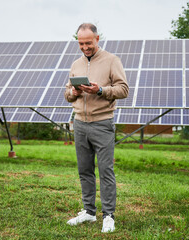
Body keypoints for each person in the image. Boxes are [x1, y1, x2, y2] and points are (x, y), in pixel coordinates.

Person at [64, 23, 129, 233]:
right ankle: (89, 212)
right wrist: (74, 93)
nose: (85, 47)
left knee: (105, 171)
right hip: (80, 123)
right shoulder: (76, 64)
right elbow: (67, 94)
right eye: (81, 43)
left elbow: (123, 89)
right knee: (84, 171)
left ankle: (108, 215)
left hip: (102, 123)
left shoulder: (112, 60)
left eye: (88, 43)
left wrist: (100, 90)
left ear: (97, 39)